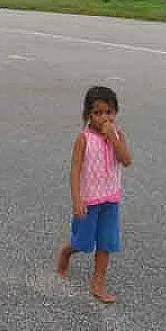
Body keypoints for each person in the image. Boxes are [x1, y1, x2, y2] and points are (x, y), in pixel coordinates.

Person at [56, 86, 133, 303]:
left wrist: (114, 139)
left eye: (109, 112)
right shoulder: (83, 139)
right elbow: (75, 170)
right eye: (98, 113)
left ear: (115, 113)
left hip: (110, 199)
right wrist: (77, 200)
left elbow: (126, 160)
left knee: (106, 243)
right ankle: (66, 251)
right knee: (83, 243)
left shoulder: (118, 135)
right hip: (89, 200)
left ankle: (98, 283)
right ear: (88, 115)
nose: (104, 118)